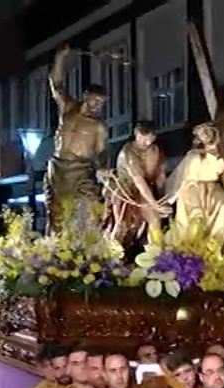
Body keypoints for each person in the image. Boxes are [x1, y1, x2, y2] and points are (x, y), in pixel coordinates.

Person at [45, 43, 110, 233]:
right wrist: (60, 57)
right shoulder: (68, 107)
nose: (98, 105)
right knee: (55, 214)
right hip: (58, 167)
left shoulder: (98, 125)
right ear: (86, 96)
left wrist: (102, 165)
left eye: (102, 103)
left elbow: (101, 150)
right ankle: (54, 253)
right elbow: (56, 84)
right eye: (96, 100)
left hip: (80, 169)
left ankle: (87, 250)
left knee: (87, 211)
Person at [163, 121, 224, 245]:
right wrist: (178, 201)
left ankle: (218, 246)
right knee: (196, 217)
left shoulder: (222, 152)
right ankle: (198, 249)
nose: (206, 135)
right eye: (203, 133)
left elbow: (223, 174)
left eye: (208, 132)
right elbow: (186, 179)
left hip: (213, 188)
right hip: (193, 189)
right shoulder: (193, 155)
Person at [107, 122, 170, 244]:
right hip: (127, 189)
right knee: (122, 223)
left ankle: (155, 250)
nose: (147, 143)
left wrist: (162, 198)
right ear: (136, 134)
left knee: (155, 219)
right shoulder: (128, 153)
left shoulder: (155, 150)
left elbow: (160, 176)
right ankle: (113, 254)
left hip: (147, 188)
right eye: (144, 139)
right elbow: (139, 181)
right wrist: (154, 203)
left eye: (151, 139)